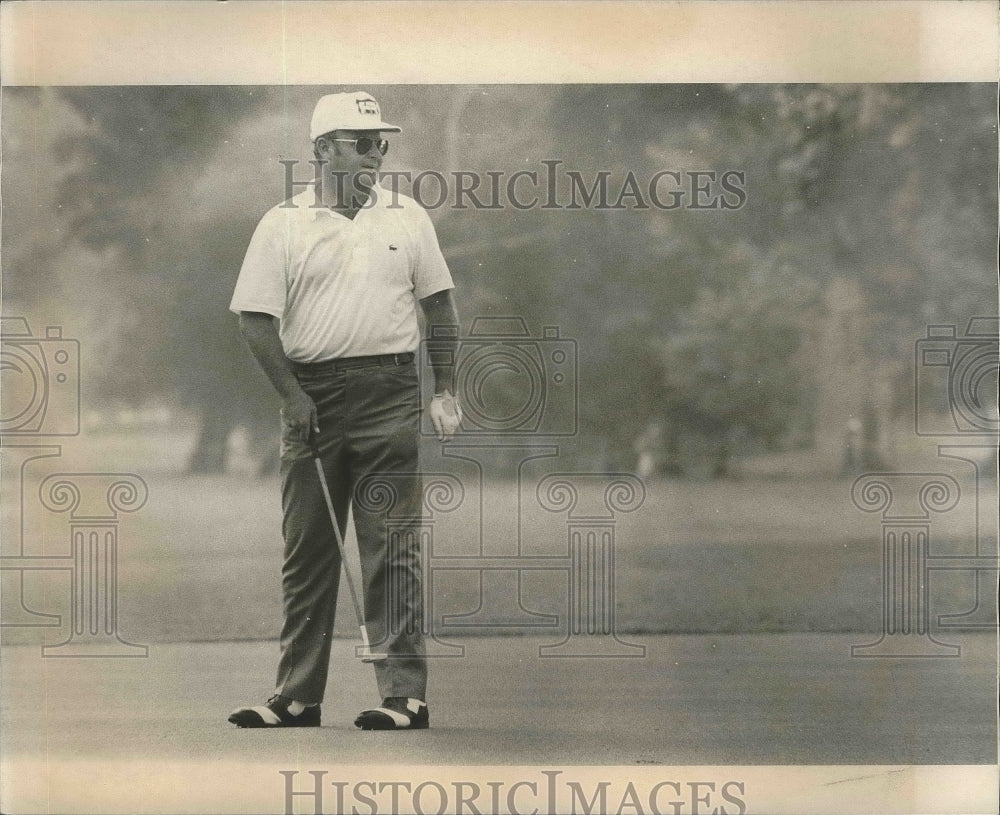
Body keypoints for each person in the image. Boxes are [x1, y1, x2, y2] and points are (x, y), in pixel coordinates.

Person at [226, 91, 461, 730]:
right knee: (308, 550)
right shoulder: (283, 223)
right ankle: (298, 697)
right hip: (314, 397)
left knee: (393, 546)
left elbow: (439, 307)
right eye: (361, 143)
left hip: (390, 391)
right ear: (323, 150)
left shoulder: (407, 217)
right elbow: (254, 319)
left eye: (380, 143)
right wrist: (293, 398)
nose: (375, 155)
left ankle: (403, 697)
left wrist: (444, 390)